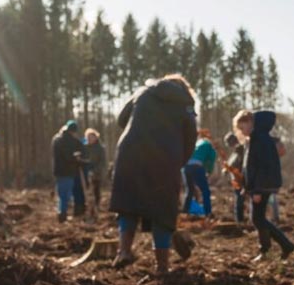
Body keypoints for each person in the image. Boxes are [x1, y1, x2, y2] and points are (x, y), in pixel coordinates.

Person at [108, 74, 198, 274]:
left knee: (128, 205)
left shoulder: (143, 92)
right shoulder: (185, 103)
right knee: (162, 210)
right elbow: (191, 136)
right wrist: (178, 160)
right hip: (164, 159)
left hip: (130, 153)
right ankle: (162, 267)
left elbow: (122, 119)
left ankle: (123, 251)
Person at [237, 109, 294, 262]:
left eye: (242, 128)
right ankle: (269, 249)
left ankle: (281, 246)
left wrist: (256, 189)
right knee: (257, 218)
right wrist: (247, 186)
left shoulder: (259, 140)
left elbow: (262, 166)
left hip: (262, 186)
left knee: (258, 218)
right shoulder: (256, 139)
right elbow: (249, 167)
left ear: (251, 123)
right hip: (260, 185)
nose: (241, 132)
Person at [52, 120, 86, 223]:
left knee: (62, 193)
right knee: (65, 194)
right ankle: (62, 214)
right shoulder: (71, 141)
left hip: (58, 171)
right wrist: (77, 159)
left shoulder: (56, 139)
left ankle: (62, 212)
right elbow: (69, 157)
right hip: (68, 171)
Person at [184, 129, 218, 217]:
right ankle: (208, 212)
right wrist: (208, 172)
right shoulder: (209, 146)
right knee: (205, 191)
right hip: (197, 166)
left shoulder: (197, 144)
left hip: (186, 167)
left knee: (189, 190)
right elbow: (211, 160)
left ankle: (185, 212)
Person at [223, 132, 247, 224]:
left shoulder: (240, 149)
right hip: (238, 178)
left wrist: (227, 169)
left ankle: (240, 220)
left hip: (241, 178)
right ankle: (240, 220)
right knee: (240, 199)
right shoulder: (237, 150)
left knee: (240, 199)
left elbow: (236, 163)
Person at [83, 128, 108, 209]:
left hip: (97, 174)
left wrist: (95, 171)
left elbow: (102, 162)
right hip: (86, 173)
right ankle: (88, 206)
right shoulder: (85, 147)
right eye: (88, 137)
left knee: (96, 190)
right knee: (87, 190)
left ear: (96, 137)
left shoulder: (100, 148)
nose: (89, 139)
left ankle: (96, 206)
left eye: (91, 137)